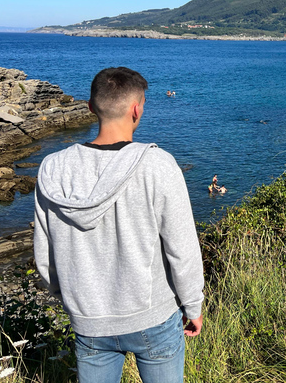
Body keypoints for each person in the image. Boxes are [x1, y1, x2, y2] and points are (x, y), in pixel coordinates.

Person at [34, 67, 204, 383]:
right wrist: (193, 305)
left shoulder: (52, 169)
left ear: (90, 107)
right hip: (152, 315)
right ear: (137, 109)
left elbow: (44, 254)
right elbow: (183, 249)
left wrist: (69, 297)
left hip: (89, 319)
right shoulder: (158, 165)